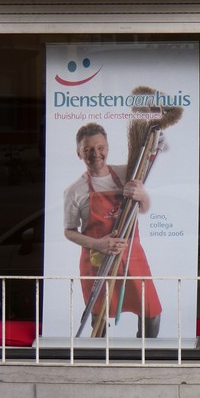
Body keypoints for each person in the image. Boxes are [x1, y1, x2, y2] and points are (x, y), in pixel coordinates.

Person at [63, 122, 161, 338]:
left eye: (100, 147)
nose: (95, 154)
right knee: (99, 317)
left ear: (107, 147)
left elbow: (143, 209)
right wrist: (99, 244)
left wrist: (141, 194)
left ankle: (143, 358)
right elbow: (69, 231)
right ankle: (99, 363)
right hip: (98, 259)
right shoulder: (74, 190)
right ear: (79, 152)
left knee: (151, 312)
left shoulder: (127, 172)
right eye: (88, 149)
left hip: (132, 255)